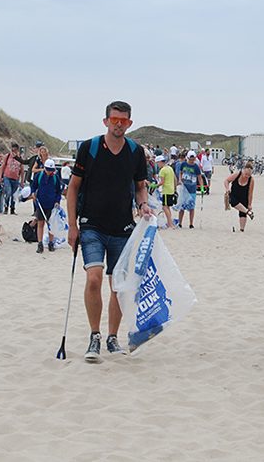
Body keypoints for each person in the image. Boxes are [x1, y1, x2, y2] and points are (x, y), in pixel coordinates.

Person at [66, 100, 151, 362]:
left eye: (123, 121)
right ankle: (95, 336)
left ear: (129, 123)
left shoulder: (135, 152)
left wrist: (144, 205)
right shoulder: (89, 148)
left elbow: (140, 186)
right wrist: (72, 225)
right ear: (105, 121)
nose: (118, 125)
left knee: (119, 286)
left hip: (123, 228)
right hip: (91, 224)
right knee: (94, 278)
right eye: (114, 120)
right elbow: (73, 188)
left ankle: (113, 336)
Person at [30, 158, 64, 253]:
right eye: (48, 170)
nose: (50, 172)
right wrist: (33, 193)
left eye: (51, 170)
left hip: (52, 204)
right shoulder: (39, 176)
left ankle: (50, 243)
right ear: (45, 168)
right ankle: (40, 244)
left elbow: (58, 191)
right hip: (41, 203)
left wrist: (57, 201)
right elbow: (33, 186)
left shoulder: (55, 177)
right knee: (40, 223)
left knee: (51, 225)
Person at [224, 161, 255, 232]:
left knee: (242, 212)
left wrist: (250, 204)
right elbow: (226, 180)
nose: (247, 176)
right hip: (234, 194)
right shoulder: (237, 174)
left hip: (244, 196)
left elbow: (250, 193)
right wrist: (227, 189)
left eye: (249, 175)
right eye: (246, 174)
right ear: (243, 171)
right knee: (233, 202)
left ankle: (242, 229)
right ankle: (248, 212)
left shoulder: (251, 180)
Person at [177, 151, 204, 229]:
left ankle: (191, 223)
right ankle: (180, 223)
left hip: (192, 189)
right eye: (190, 159)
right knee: (182, 207)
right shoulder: (183, 164)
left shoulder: (196, 167)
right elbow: (181, 173)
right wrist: (180, 180)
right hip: (184, 189)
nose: (192, 161)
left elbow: (199, 177)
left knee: (191, 207)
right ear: (187, 158)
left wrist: (202, 187)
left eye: (193, 159)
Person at [1, 144, 26, 215]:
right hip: (7, 177)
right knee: (8, 192)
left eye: (15, 150)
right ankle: (6, 208)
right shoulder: (7, 156)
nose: (13, 151)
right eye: (12, 150)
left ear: (17, 150)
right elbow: (2, 167)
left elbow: (22, 170)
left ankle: (12, 209)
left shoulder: (20, 158)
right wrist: (0, 178)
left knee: (14, 195)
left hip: (15, 178)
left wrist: (22, 181)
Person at [155, 154, 176, 228]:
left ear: (160, 162)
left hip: (166, 190)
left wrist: (155, 186)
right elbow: (174, 179)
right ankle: (170, 222)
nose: (157, 165)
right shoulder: (170, 168)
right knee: (167, 207)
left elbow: (162, 182)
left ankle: (170, 224)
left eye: (157, 163)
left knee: (165, 207)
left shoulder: (162, 170)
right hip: (171, 189)